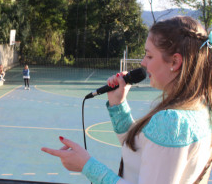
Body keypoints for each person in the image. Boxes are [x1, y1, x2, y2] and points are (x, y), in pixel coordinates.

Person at [41, 16, 212, 184]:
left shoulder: (173, 123)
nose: (143, 63)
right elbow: (141, 150)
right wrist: (118, 105)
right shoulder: (199, 109)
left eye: (149, 56)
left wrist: (87, 166)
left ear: (175, 61)